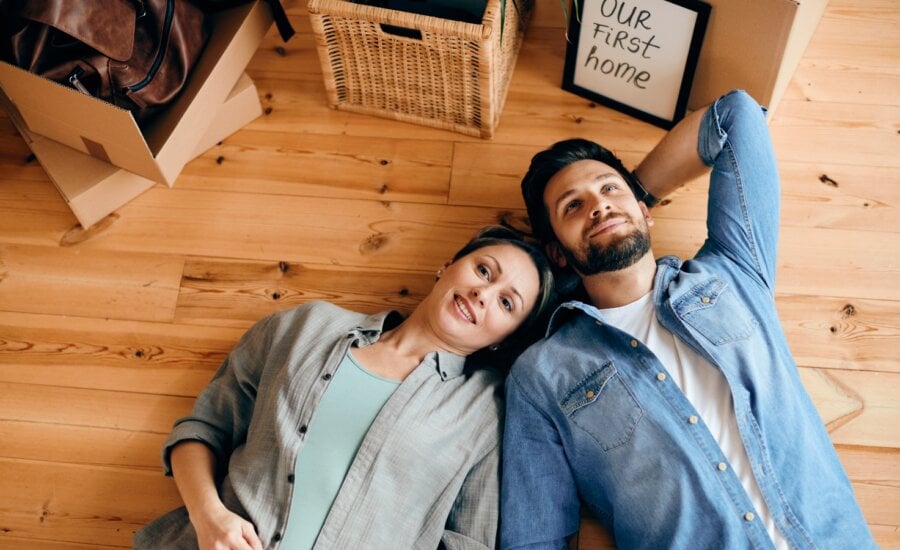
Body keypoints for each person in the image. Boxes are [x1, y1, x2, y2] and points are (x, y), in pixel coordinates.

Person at [500, 90, 875, 549]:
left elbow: (736, 115)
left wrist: (638, 192)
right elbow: (532, 537)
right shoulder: (542, 374)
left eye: (608, 188)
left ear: (643, 211)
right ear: (558, 253)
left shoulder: (734, 272)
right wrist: (623, 200)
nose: (598, 205)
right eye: (572, 206)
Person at [134, 226, 555, 550]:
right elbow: (203, 429)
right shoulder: (306, 326)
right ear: (447, 265)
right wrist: (210, 518)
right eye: (483, 270)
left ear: (505, 336)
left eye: (506, 303)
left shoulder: (486, 410)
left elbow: (467, 542)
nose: (483, 293)